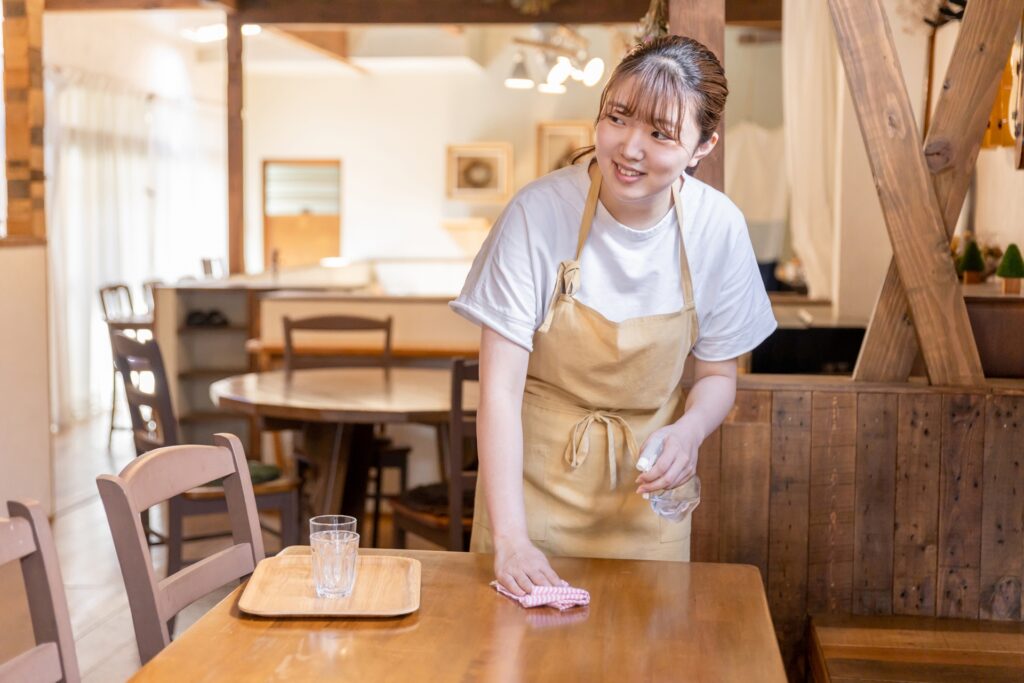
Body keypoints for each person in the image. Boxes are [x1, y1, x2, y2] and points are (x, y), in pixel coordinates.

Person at [450, 35, 777, 595]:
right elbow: (499, 391)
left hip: (647, 503)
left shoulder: (717, 229)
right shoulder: (537, 214)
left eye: (660, 133)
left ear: (703, 146)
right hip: (529, 499)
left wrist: (690, 432)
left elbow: (719, 376)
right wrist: (511, 541)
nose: (629, 147)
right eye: (617, 118)